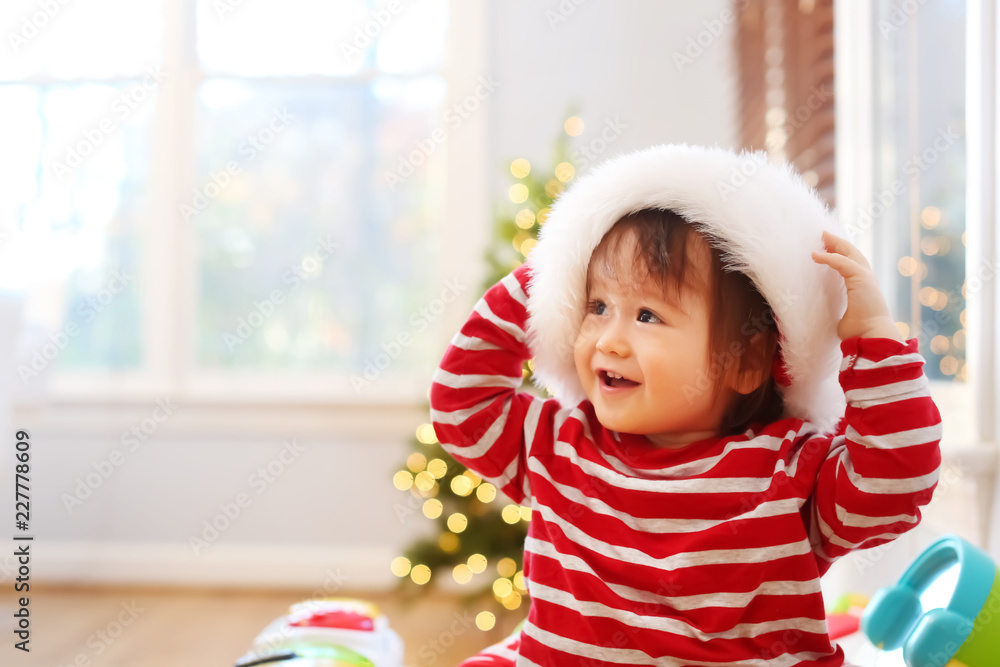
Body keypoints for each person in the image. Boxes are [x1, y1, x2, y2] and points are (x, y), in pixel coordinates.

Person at [428, 144, 942, 666]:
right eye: (597, 306)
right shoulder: (559, 446)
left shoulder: (790, 470)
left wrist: (874, 339)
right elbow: (461, 404)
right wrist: (544, 278)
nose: (609, 339)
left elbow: (894, 482)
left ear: (746, 362)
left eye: (647, 316)